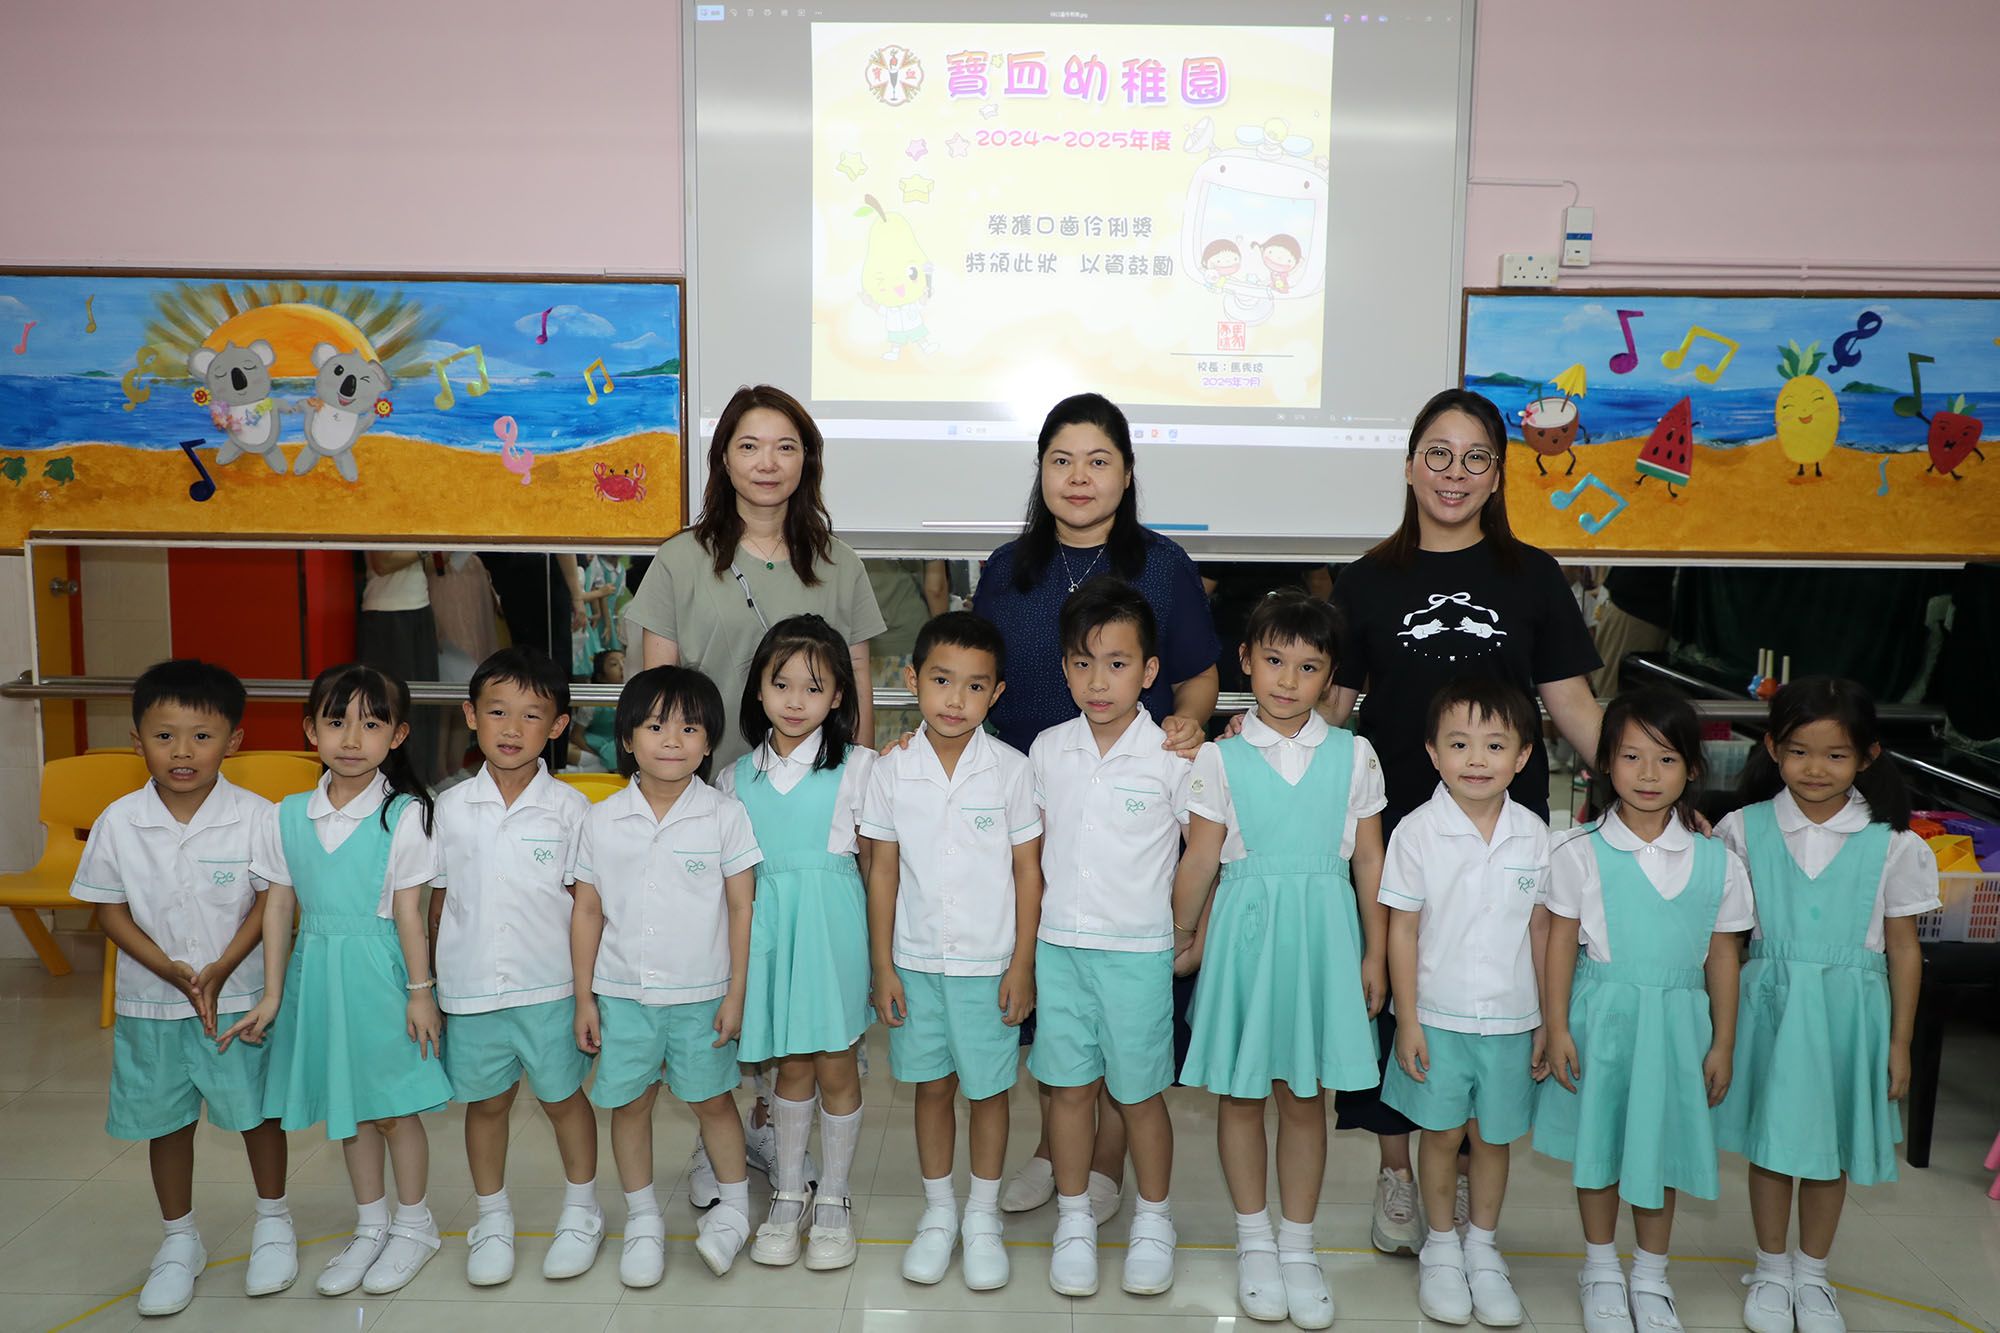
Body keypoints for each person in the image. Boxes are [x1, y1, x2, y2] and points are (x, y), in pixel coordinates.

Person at [1324, 387, 1603, 1254]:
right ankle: (1398, 1175)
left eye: (1475, 456)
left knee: (1494, 996)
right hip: (1392, 827)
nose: (1454, 472)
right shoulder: (1367, 580)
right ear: (1410, 466)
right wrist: (1255, 744)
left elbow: (1573, 705)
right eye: (1437, 454)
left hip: (1503, 833)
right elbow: (1331, 705)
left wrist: (1652, 788)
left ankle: (1471, 1193)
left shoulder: (1534, 577)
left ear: (1498, 474)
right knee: (1396, 996)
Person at [972, 391, 1219, 1219]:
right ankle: (1056, 1149)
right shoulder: (1006, 568)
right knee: (1057, 1000)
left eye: (1098, 460)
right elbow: (974, 677)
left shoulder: (1164, 565)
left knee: (1127, 1015)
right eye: (1061, 460)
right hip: (1034, 804)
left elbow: (1197, 673)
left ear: (1127, 472)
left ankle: (1107, 1162)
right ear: (1040, 471)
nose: (1078, 477)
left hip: (1133, 808)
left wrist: (1187, 721)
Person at [1170, 589, 1387, 1329]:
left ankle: (1298, 1245)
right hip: (1246, 939)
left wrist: (1376, 952)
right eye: (1273, 660)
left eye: (1308, 666)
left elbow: (1370, 860)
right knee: (1241, 1094)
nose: (1289, 680)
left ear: (1330, 676)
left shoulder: (1354, 754)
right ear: (1245, 661)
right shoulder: (1219, 756)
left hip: (1324, 938)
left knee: (1305, 1095)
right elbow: (1200, 858)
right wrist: (1182, 934)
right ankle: (1254, 1239)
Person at [71, 660, 295, 1315]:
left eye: (201, 736)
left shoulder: (257, 817)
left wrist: (223, 964)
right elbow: (109, 909)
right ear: (137, 741)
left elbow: (270, 901)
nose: (182, 752)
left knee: (257, 1114)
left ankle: (274, 1223)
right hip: (152, 1001)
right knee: (165, 1123)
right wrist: (166, 966)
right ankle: (178, 1240)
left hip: (241, 999)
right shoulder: (119, 820)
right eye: (164, 736)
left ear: (234, 740)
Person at [222, 664, 453, 1298]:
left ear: (397, 736)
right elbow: (277, 907)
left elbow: (411, 914)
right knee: (350, 1110)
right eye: (336, 722)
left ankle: (415, 1225)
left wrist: (421, 993)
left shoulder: (406, 814)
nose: (352, 739)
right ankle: (371, 1224)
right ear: (310, 731)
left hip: (380, 975)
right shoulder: (287, 816)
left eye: (371, 725)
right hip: (318, 973)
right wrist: (273, 994)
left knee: (393, 1109)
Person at [1715, 678, 1936, 1333]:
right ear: (1772, 748)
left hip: (1850, 1015)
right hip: (1771, 1010)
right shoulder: (1742, 830)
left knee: (1829, 1146)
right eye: (1799, 751)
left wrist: (1900, 1041)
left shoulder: (1893, 842)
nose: (1816, 768)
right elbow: (1722, 940)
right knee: (1772, 1143)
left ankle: (1812, 1274)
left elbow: (1904, 949)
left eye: (1836, 754)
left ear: (1867, 756)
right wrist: (1719, 1032)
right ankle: (1771, 1268)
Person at [1537, 689, 1753, 1333]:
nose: (1648, 774)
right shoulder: (1577, 850)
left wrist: (1723, 1042)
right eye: (1631, 756)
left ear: (1693, 768)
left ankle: (1652, 1275)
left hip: (1680, 1029)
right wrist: (1556, 1025)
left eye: (1666, 758)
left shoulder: (1718, 862)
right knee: (1600, 1146)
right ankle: (1601, 1268)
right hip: (1601, 1020)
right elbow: (1559, 945)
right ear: (1605, 763)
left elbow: (1723, 956)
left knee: (1663, 1148)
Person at [861, 612, 1043, 1291]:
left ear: (996, 694)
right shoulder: (891, 769)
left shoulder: (1013, 771)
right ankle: (939, 1212)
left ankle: (983, 1216)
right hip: (914, 963)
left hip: (989, 966)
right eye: (941, 680)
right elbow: (881, 870)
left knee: (989, 1091)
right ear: (912, 680)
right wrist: (882, 965)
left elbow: (1029, 872)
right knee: (931, 1087)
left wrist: (1022, 963)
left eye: (974, 686)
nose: (955, 699)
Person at [571, 665, 763, 1286]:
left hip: (703, 995)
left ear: (709, 744)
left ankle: (734, 1211)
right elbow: (587, 911)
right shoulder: (601, 820)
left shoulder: (725, 815)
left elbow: (742, 908)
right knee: (630, 1106)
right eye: (655, 726)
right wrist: (584, 998)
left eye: (689, 728)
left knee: (713, 1101)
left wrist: (736, 993)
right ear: (628, 738)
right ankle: (643, 1219)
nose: (672, 740)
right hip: (622, 995)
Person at [1029, 579, 1190, 1300]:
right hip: (1059, 949)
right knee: (1067, 1090)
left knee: (1140, 1095)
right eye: (1083, 663)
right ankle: (1074, 1220)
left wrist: (1190, 931)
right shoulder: (1047, 749)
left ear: (1149, 671)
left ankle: (1155, 1220)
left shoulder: (1172, 755)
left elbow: (1209, 852)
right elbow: (1029, 850)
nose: (1099, 681)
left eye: (1118, 664)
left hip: (1138, 955)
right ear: (1064, 668)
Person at [1377, 678, 1554, 1328]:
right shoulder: (1417, 832)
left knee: (1492, 1137)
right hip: (1438, 1017)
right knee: (1441, 1133)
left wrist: (1547, 1019)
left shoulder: (1535, 835)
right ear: (1433, 752)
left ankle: (1482, 1246)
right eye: (1459, 744)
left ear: (1523, 755)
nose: (1476, 759)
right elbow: (1402, 930)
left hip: (1511, 1019)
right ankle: (1442, 1248)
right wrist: (1407, 1018)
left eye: (1495, 745)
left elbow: (1542, 930)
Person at [427, 648, 602, 1287]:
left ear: (558, 726)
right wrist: (428, 988)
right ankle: (492, 1218)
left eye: (532, 715)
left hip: (551, 988)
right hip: (472, 990)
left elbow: (588, 909)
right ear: (471, 715)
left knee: (563, 1101)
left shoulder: (573, 811)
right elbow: (435, 904)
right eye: (497, 712)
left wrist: (586, 995)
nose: (511, 728)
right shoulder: (446, 810)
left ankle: (581, 1212)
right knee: (486, 1105)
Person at [716, 615, 877, 1272]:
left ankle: (833, 1197)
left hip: (833, 933)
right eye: (780, 683)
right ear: (758, 688)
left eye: (814, 687)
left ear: (838, 696)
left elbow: (877, 868)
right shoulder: (733, 778)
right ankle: (788, 1193)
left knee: (836, 1065)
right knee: (790, 1067)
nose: (794, 700)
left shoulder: (861, 767)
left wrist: (880, 958)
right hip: (768, 935)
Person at [629, 384, 886, 772]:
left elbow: (858, 679)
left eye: (785, 447)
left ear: (806, 459)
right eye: (749, 446)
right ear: (724, 458)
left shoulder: (841, 564)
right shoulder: (678, 559)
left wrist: (861, 780)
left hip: (816, 785)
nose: (768, 464)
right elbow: (659, 691)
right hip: (703, 782)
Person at [358, 550, 443, 783]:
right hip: (386, 612)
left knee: (425, 705)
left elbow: (436, 564)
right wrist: (424, 547)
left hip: (420, 605)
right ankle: (390, 783)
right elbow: (383, 562)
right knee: (389, 705)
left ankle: (421, 782)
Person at [568, 648, 626, 772]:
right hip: (595, 747)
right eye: (614, 664)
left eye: (625, 662)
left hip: (620, 749)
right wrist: (597, 756)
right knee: (568, 752)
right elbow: (576, 735)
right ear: (602, 677)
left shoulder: (634, 698)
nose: (622, 667)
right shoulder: (592, 703)